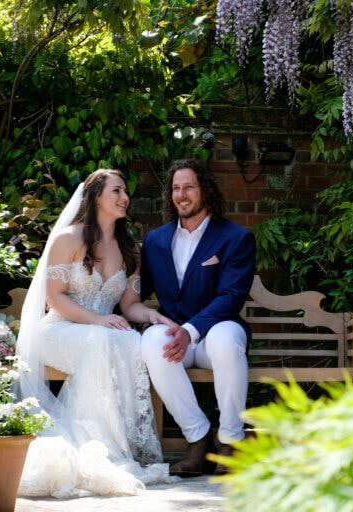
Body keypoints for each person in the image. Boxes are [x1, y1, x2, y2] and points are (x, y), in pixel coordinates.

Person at [15, 168, 176, 498]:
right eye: (116, 190)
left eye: (125, 191)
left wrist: (153, 316)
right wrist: (97, 320)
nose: (124, 197)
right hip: (59, 330)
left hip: (99, 333)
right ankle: (97, 443)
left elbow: (130, 305)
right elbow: (54, 299)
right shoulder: (68, 239)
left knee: (132, 339)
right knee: (103, 338)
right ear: (95, 197)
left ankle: (115, 446)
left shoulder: (130, 249)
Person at [140, 159, 256, 476]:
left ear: (204, 189)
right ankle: (199, 440)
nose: (182, 194)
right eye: (176, 188)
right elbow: (132, 291)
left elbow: (231, 297)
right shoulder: (155, 241)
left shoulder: (235, 237)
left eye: (189, 186)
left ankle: (232, 440)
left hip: (213, 334)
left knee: (227, 338)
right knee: (151, 339)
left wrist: (191, 331)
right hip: (176, 340)